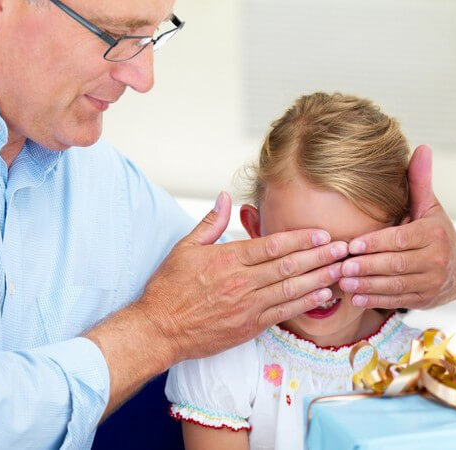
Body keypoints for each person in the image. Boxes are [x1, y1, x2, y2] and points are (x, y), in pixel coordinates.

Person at [0, 1, 456, 448]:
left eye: (153, 33)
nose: (144, 77)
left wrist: (435, 264)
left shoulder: (92, 175)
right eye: (114, 34)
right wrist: (156, 331)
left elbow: (239, 278)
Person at [165, 92, 422, 450]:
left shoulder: (422, 366)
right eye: (300, 250)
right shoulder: (228, 356)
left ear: (399, 243)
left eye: (348, 252)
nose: (323, 281)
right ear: (257, 231)